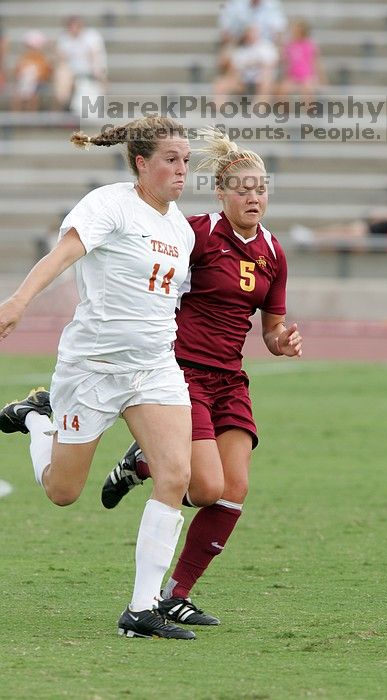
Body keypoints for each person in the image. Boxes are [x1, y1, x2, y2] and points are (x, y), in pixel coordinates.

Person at [0, 116, 198, 641]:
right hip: (93, 368)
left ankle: (141, 609)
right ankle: (39, 420)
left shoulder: (180, 227)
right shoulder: (109, 204)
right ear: (141, 162)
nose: (182, 170)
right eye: (171, 160)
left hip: (155, 368)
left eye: (185, 160)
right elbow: (61, 256)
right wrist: (18, 301)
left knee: (176, 477)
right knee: (63, 492)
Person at [101, 126, 303, 626]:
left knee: (234, 490)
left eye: (260, 187)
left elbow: (271, 327)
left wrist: (282, 341)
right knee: (205, 487)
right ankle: (146, 461)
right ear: (221, 192)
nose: (253, 196)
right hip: (182, 372)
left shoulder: (274, 252)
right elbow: (155, 276)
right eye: (242, 187)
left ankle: (175, 593)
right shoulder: (194, 233)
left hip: (230, 380)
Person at [54, 16, 107, 112]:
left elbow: (96, 57)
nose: (73, 29)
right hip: (72, 72)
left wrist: (98, 75)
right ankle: (63, 105)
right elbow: (61, 57)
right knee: (62, 74)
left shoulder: (92, 36)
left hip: (89, 70)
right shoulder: (64, 37)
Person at [278, 20, 326, 104]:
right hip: (292, 76)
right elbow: (286, 61)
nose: (293, 33)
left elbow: (315, 63)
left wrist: (320, 78)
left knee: (308, 91)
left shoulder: (309, 45)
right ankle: (285, 114)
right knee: (282, 91)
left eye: (296, 31)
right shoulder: (290, 45)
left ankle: (310, 114)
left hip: (307, 76)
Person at [11, 30, 52, 112]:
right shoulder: (24, 58)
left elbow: (46, 73)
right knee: (17, 97)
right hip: (24, 84)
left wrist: (36, 77)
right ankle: (18, 121)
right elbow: (18, 72)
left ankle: (31, 120)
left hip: (38, 84)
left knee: (33, 97)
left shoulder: (42, 59)